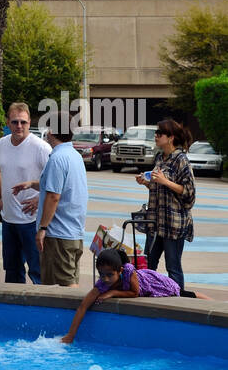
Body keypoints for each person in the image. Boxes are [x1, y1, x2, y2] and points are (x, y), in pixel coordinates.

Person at [60, 246, 200, 344]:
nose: (106, 279)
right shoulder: (102, 284)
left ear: (119, 271)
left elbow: (135, 293)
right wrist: (71, 335)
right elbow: (83, 307)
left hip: (154, 283)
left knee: (183, 293)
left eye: (110, 275)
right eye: (102, 275)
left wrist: (113, 293)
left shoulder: (128, 271)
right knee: (186, 294)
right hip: (145, 286)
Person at [14, 123, 88, 286]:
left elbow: (54, 196)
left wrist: (42, 228)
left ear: (53, 131)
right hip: (73, 232)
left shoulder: (57, 158)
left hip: (58, 235)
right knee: (69, 281)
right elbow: (57, 185)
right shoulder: (74, 155)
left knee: (63, 287)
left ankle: (78, 311)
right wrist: (31, 184)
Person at [0, 103, 51, 283]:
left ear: (29, 122)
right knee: (12, 271)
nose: (19, 126)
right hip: (8, 221)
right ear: (7, 122)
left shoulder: (41, 148)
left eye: (23, 122)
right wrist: (0, 196)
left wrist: (40, 200)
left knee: (37, 272)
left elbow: (57, 182)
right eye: (15, 122)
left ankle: (41, 309)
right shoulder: (2, 144)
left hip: (31, 222)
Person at [137, 118, 196, 291]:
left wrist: (165, 181)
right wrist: (146, 182)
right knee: (148, 265)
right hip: (155, 222)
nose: (156, 136)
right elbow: (159, 187)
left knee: (173, 268)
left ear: (170, 138)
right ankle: (148, 295)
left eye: (159, 133)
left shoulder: (181, 160)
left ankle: (177, 303)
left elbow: (189, 194)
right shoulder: (160, 158)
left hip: (173, 224)